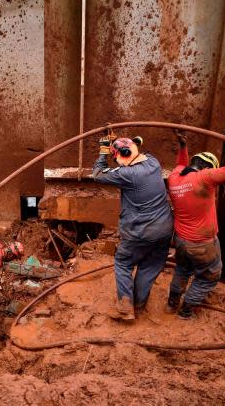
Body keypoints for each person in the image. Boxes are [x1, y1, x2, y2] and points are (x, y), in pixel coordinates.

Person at [92, 135, 173, 320]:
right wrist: (123, 142)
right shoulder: (154, 163)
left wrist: (104, 152)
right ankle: (139, 303)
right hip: (165, 230)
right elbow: (140, 152)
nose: (116, 161)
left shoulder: (126, 174)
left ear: (124, 154)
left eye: (116, 157)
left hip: (140, 232)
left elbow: (98, 174)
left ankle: (126, 306)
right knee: (149, 266)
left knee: (123, 262)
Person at [166, 134, 225, 318]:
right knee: (209, 276)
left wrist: (183, 147)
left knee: (182, 269)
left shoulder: (175, 177)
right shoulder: (205, 178)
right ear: (207, 168)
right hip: (202, 244)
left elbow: (181, 164)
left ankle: (171, 303)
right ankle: (186, 311)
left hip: (181, 240)